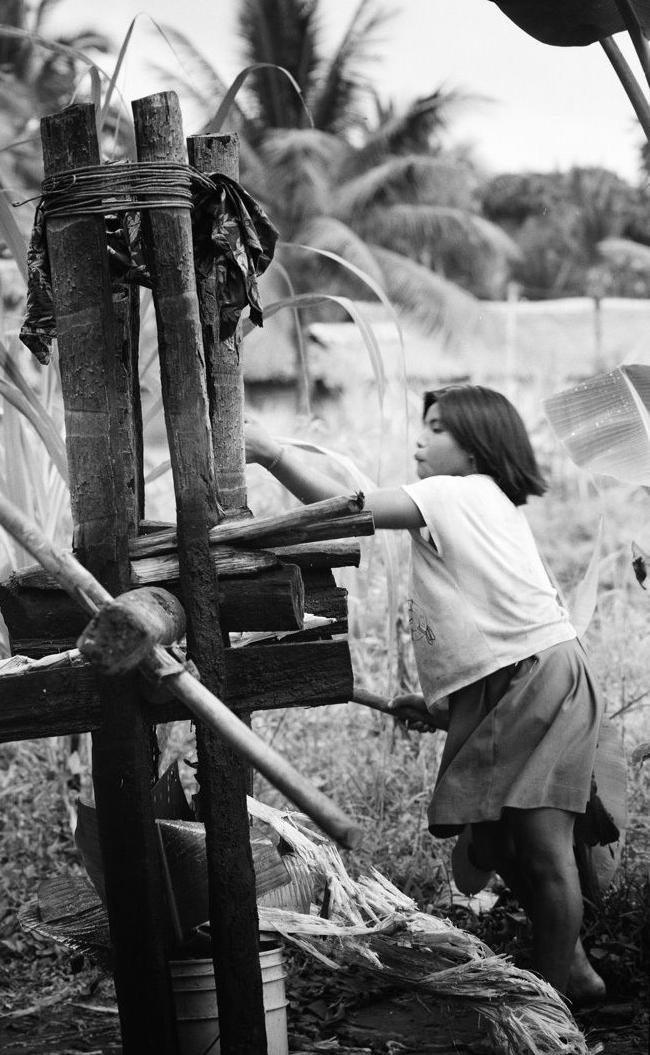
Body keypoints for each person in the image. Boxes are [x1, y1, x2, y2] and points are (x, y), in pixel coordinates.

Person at [244, 384, 613, 1006]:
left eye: (438, 427)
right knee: (500, 841)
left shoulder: (456, 492)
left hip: (539, 677)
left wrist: (272, 453)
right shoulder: (477, 501)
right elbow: (486, 631)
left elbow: (347, 512)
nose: (421, 439)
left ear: (477, 447)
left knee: (544, 850)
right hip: (520, 677)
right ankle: (573, 970)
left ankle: (550, 1007)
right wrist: (444, 706)